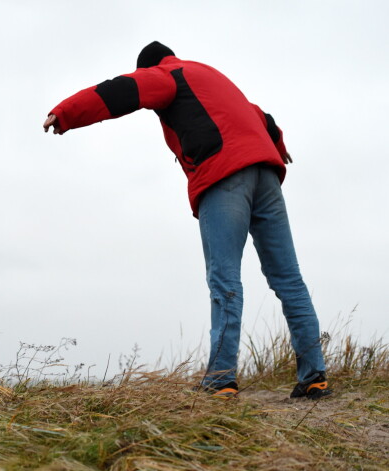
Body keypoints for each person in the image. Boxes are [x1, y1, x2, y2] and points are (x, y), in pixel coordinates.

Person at [43, 41, 331, 399]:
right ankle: (314, 375)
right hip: (267, 176)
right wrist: (279, 145)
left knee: (224, 279)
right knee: (289, 279)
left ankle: (221, 379)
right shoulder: (208, 74)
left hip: (224, 176)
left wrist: (65, 113)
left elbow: (121, 90)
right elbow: (260, 115)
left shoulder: (165, 75)